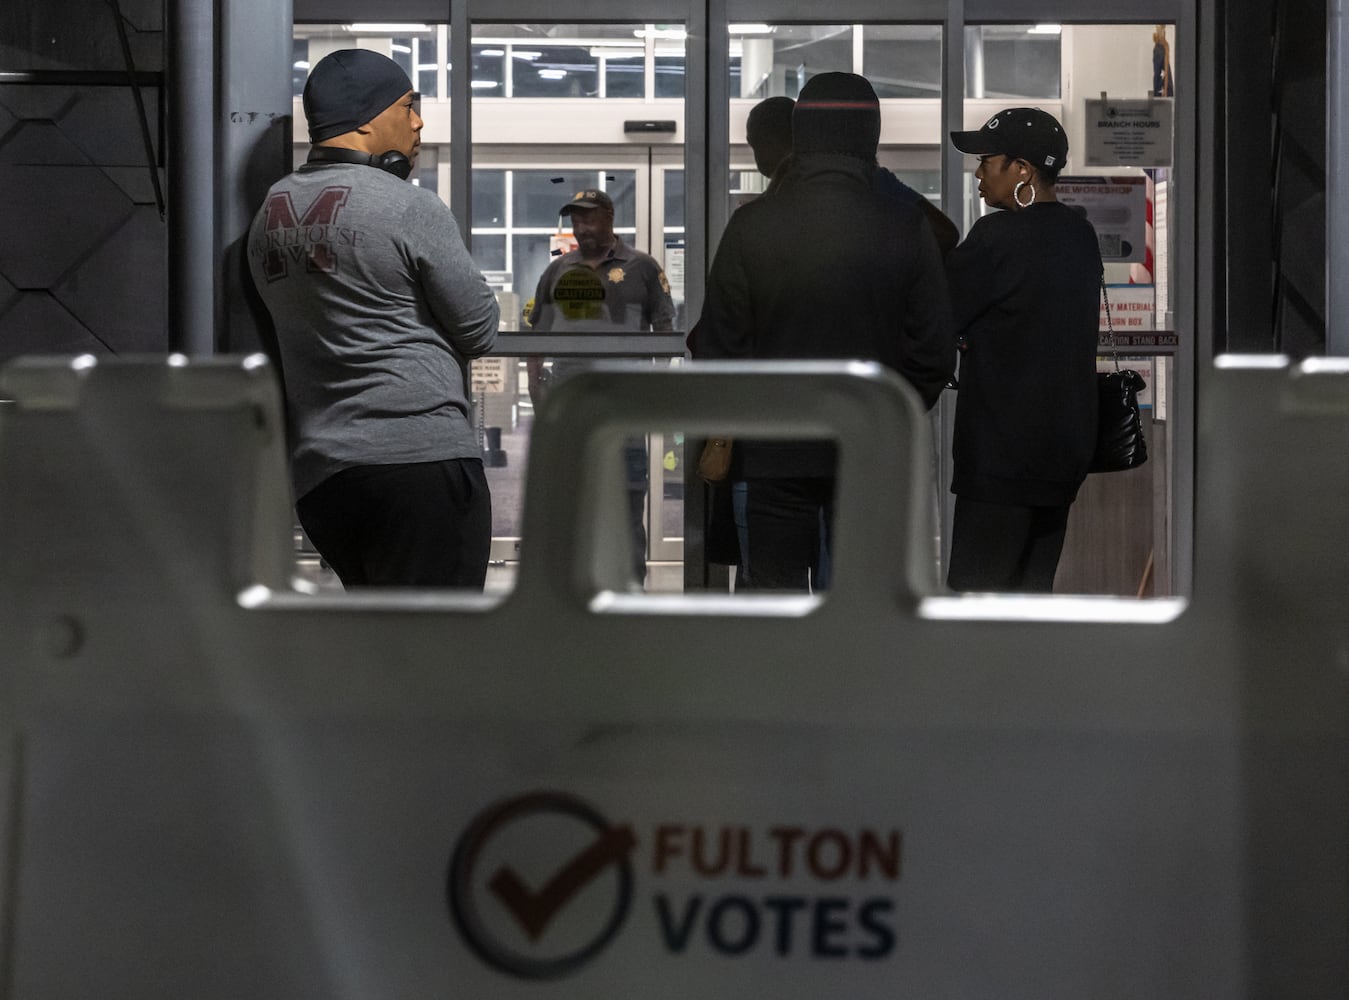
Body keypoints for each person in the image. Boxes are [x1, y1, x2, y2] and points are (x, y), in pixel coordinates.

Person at [248, 48, 500, 590]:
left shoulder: (270, 212)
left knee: (381, 652)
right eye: (409, 105)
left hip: (324, 476)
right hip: (420, 464)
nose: (418, 121)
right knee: (437, 654)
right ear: (367, 117)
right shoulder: (407, 205)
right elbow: (479, 328)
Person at [696, 72, 957, 592]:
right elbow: (932, 353)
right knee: (861, 611)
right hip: (869, 450)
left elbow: (717, 345)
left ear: (801, 132)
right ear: (872, 135)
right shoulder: (905, 225)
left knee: (773, 612)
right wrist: (885, 412)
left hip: (768, 450)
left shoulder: (752, 225)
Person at [944, 107, 1102, 592]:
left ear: (1022, 170)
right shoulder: (1080, 235)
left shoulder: (997, 238)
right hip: (1063, 456)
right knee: (1032, 603)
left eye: (987, 161)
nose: (977, 173)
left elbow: (937, 315)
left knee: (979, 610)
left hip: (1000, 457)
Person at [526, 189, 676, 583]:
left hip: (624, 411)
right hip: (569, 411)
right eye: (576, 220)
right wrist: (537, 392)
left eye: (589, 219)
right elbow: (534, 337)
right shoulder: (558, 271)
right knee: (569, 505)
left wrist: (655, 389)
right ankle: (571, 593)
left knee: (626, 505)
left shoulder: (642, 268)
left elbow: (665, 329)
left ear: (609, 217)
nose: (582, 228)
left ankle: (629, 592)